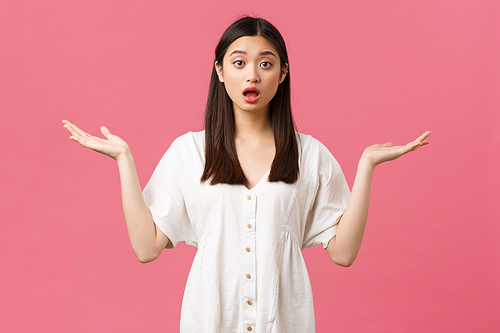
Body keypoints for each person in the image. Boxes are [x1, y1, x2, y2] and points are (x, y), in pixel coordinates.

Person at [63, 16, 430, 333]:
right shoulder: (189, 152)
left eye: (266, 64)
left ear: (283, 73)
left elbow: (344, 253)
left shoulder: (310, 155)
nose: (252, 74)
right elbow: (147, 248)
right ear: (220, 71)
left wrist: (366, 165)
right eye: (238, 63)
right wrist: (124, 160)